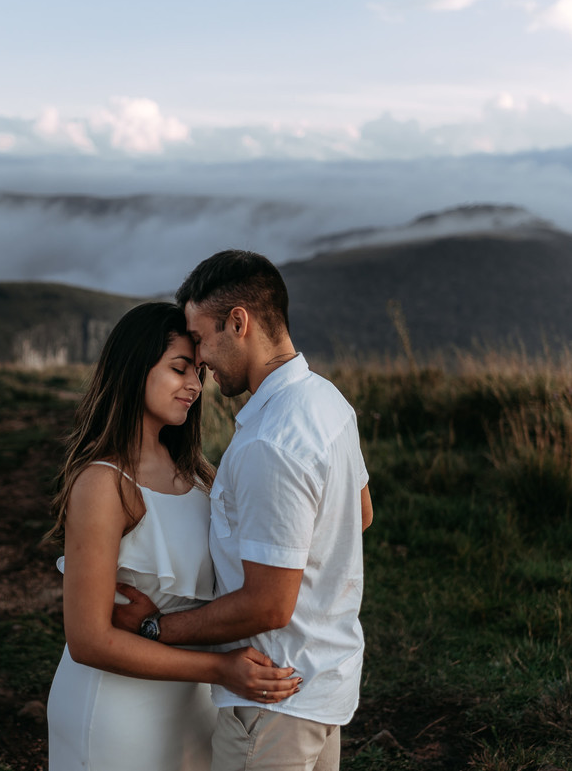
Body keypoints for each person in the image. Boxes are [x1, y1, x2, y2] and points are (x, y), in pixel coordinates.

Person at [114, 251, 373, 771]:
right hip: (326, 686)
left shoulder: (268, 442)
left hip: (272, 705)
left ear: (239, 322)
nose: (200, 359)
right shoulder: (328, 402)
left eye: (202, 338)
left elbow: (268, 607)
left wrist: (156, 628)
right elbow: (360, 513)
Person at [46, 301, 301, 771]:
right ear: (133, 369)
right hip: (118, 714)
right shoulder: (104, 484)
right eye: (179, 369)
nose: (194, 385)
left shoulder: (201, 475)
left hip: (193, 707)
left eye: (198, 372)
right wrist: (220, 669)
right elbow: (88, 640)